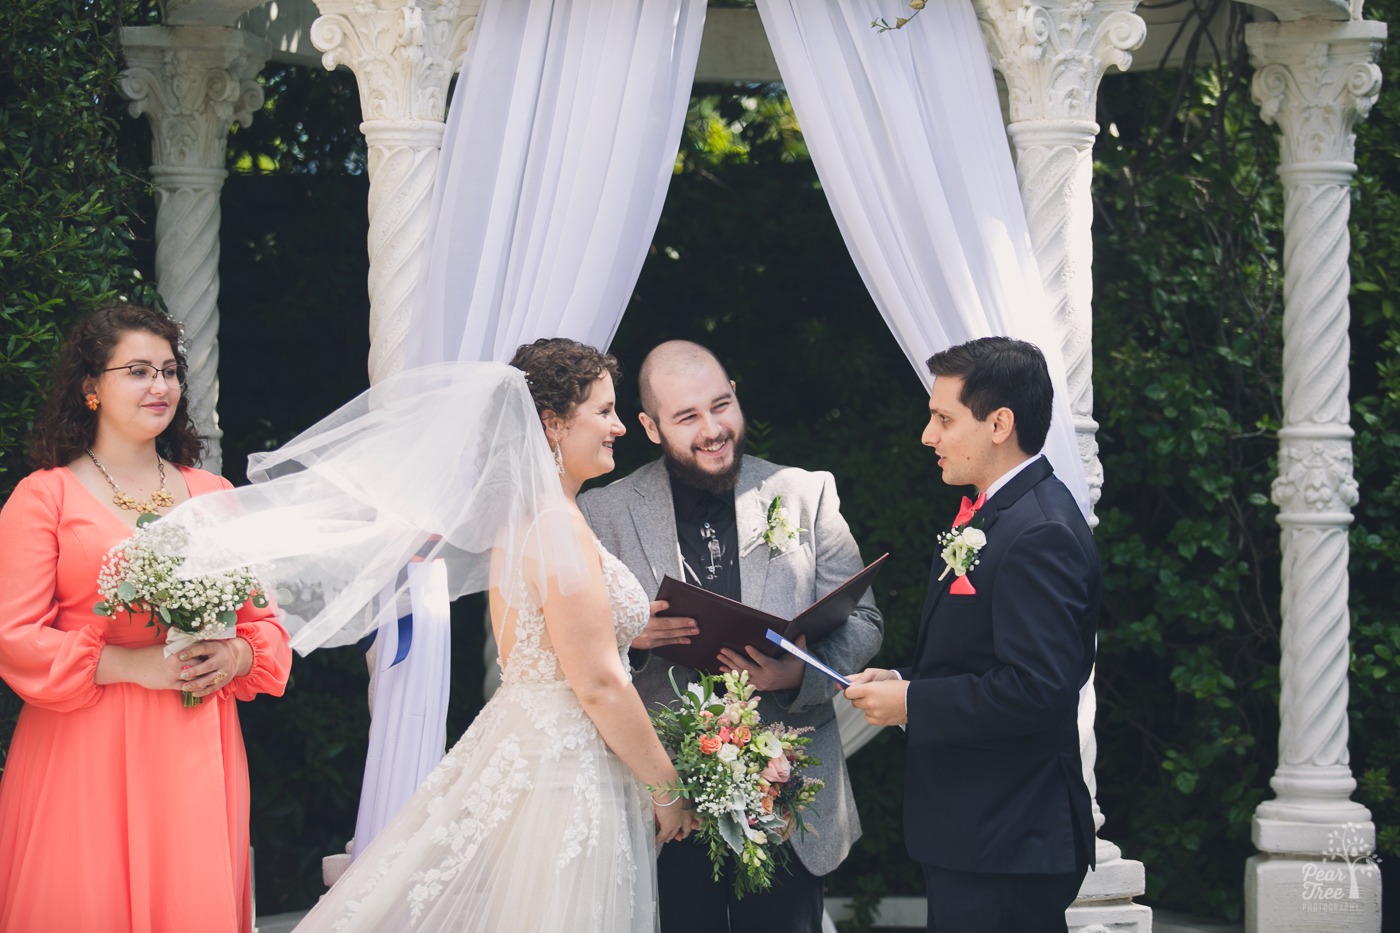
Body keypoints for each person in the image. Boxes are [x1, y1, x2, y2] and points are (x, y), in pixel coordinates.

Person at [292, 338, 695, 932]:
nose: (619, 427)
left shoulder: (534, 517)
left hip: (540, 749)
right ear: (553, 425)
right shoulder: (555, 525)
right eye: (604, 411)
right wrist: (667, 788)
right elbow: (598, 683)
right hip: (566, 769)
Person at [0, 303, 293, 932]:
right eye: (137, 371)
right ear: (90, 388)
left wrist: (237, 654)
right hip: (84, 742)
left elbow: (264, 622)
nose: (158, 386)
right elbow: (14, 638)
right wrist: (132, 664)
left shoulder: (212, 495)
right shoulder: (43, 497)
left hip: (193, 741)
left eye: (168, 370)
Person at [578, 339, 883, 933]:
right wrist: (629, 639)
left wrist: (801, 673)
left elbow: (865, 622)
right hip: (663, 800)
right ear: (648, 425)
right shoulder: (602, 512)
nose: (713, 429)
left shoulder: (806, 492)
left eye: (721, 406)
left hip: (788, 793)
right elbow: (569, 653)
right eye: (687, 417)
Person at [844, 336, 1098, 933]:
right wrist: (908, 680)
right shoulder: (995, 513)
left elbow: (1038, 688)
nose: (928, 436)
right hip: (979, 832)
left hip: (1008, 834)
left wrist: (912, 702)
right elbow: (984, 657)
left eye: (943, 418)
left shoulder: (1040, 532)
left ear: (999, 424)